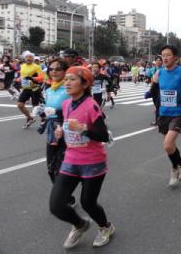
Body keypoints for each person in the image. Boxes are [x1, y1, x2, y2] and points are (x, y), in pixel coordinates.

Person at [49, 66, 115, 249]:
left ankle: (106, 227)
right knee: (56, 205)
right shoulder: (66, 104)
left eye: (72, 79)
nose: (67, 82)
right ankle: (80, 224)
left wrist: (84, 129)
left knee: (88, 203)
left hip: (92, 162)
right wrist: (61, 131)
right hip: (70, 160)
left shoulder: (91, 105)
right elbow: (68, 126)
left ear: (85, 84)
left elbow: (103, 135)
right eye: (66, 79)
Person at [152, 45, 181, 186]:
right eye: (163, 55)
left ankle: (174, 169)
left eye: (168, 55)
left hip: (177, 113)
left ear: (175, 57)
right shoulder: (159, 73)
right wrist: (157, 104)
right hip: (163, 113)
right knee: (170, 145)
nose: (164, 58)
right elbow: (154, 91)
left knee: (167, 145)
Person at [40, 58, 71, 187]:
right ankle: (65, 196)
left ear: (65, 71)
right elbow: (48, 112)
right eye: (51, 69)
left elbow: (78, 110)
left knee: (61, 167)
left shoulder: (70, 88)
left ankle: (62, 197)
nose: (54, 72)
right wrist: (42, 112)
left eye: (58, 69)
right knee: (51, 166)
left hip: (67, 132)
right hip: (52, 132)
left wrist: (58, 112)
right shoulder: (48, 90)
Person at [17, 51, 44, 128]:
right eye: (27, 57)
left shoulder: (36, 67)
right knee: (20, 105)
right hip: (26, 88)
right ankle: (29, 118)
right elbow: (22, 75)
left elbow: (41, 77)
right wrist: (19, 79)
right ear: (24, 58)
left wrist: (32, 78)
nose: (28, 58)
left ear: (33, 58)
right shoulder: (22, 66)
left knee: (35, 106)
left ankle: (43, 119)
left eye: (30, 57)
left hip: (34, 88)